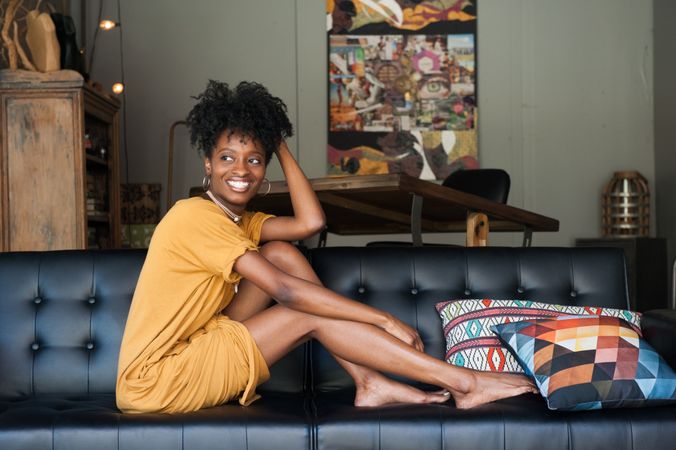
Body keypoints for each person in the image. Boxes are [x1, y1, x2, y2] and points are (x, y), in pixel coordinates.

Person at [115, 80, 536, 414]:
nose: (241, 169)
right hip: (159, 379)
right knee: (302, 312)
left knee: (280, 253)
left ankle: (369, 382)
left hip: (198, 346)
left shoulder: (240, 222)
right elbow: (287, 293)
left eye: (255, 160)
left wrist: (275, 138)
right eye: (226, 158)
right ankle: (463, 382)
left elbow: (310, 222)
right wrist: (383, 318)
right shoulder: (194, 216)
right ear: (207, 163)